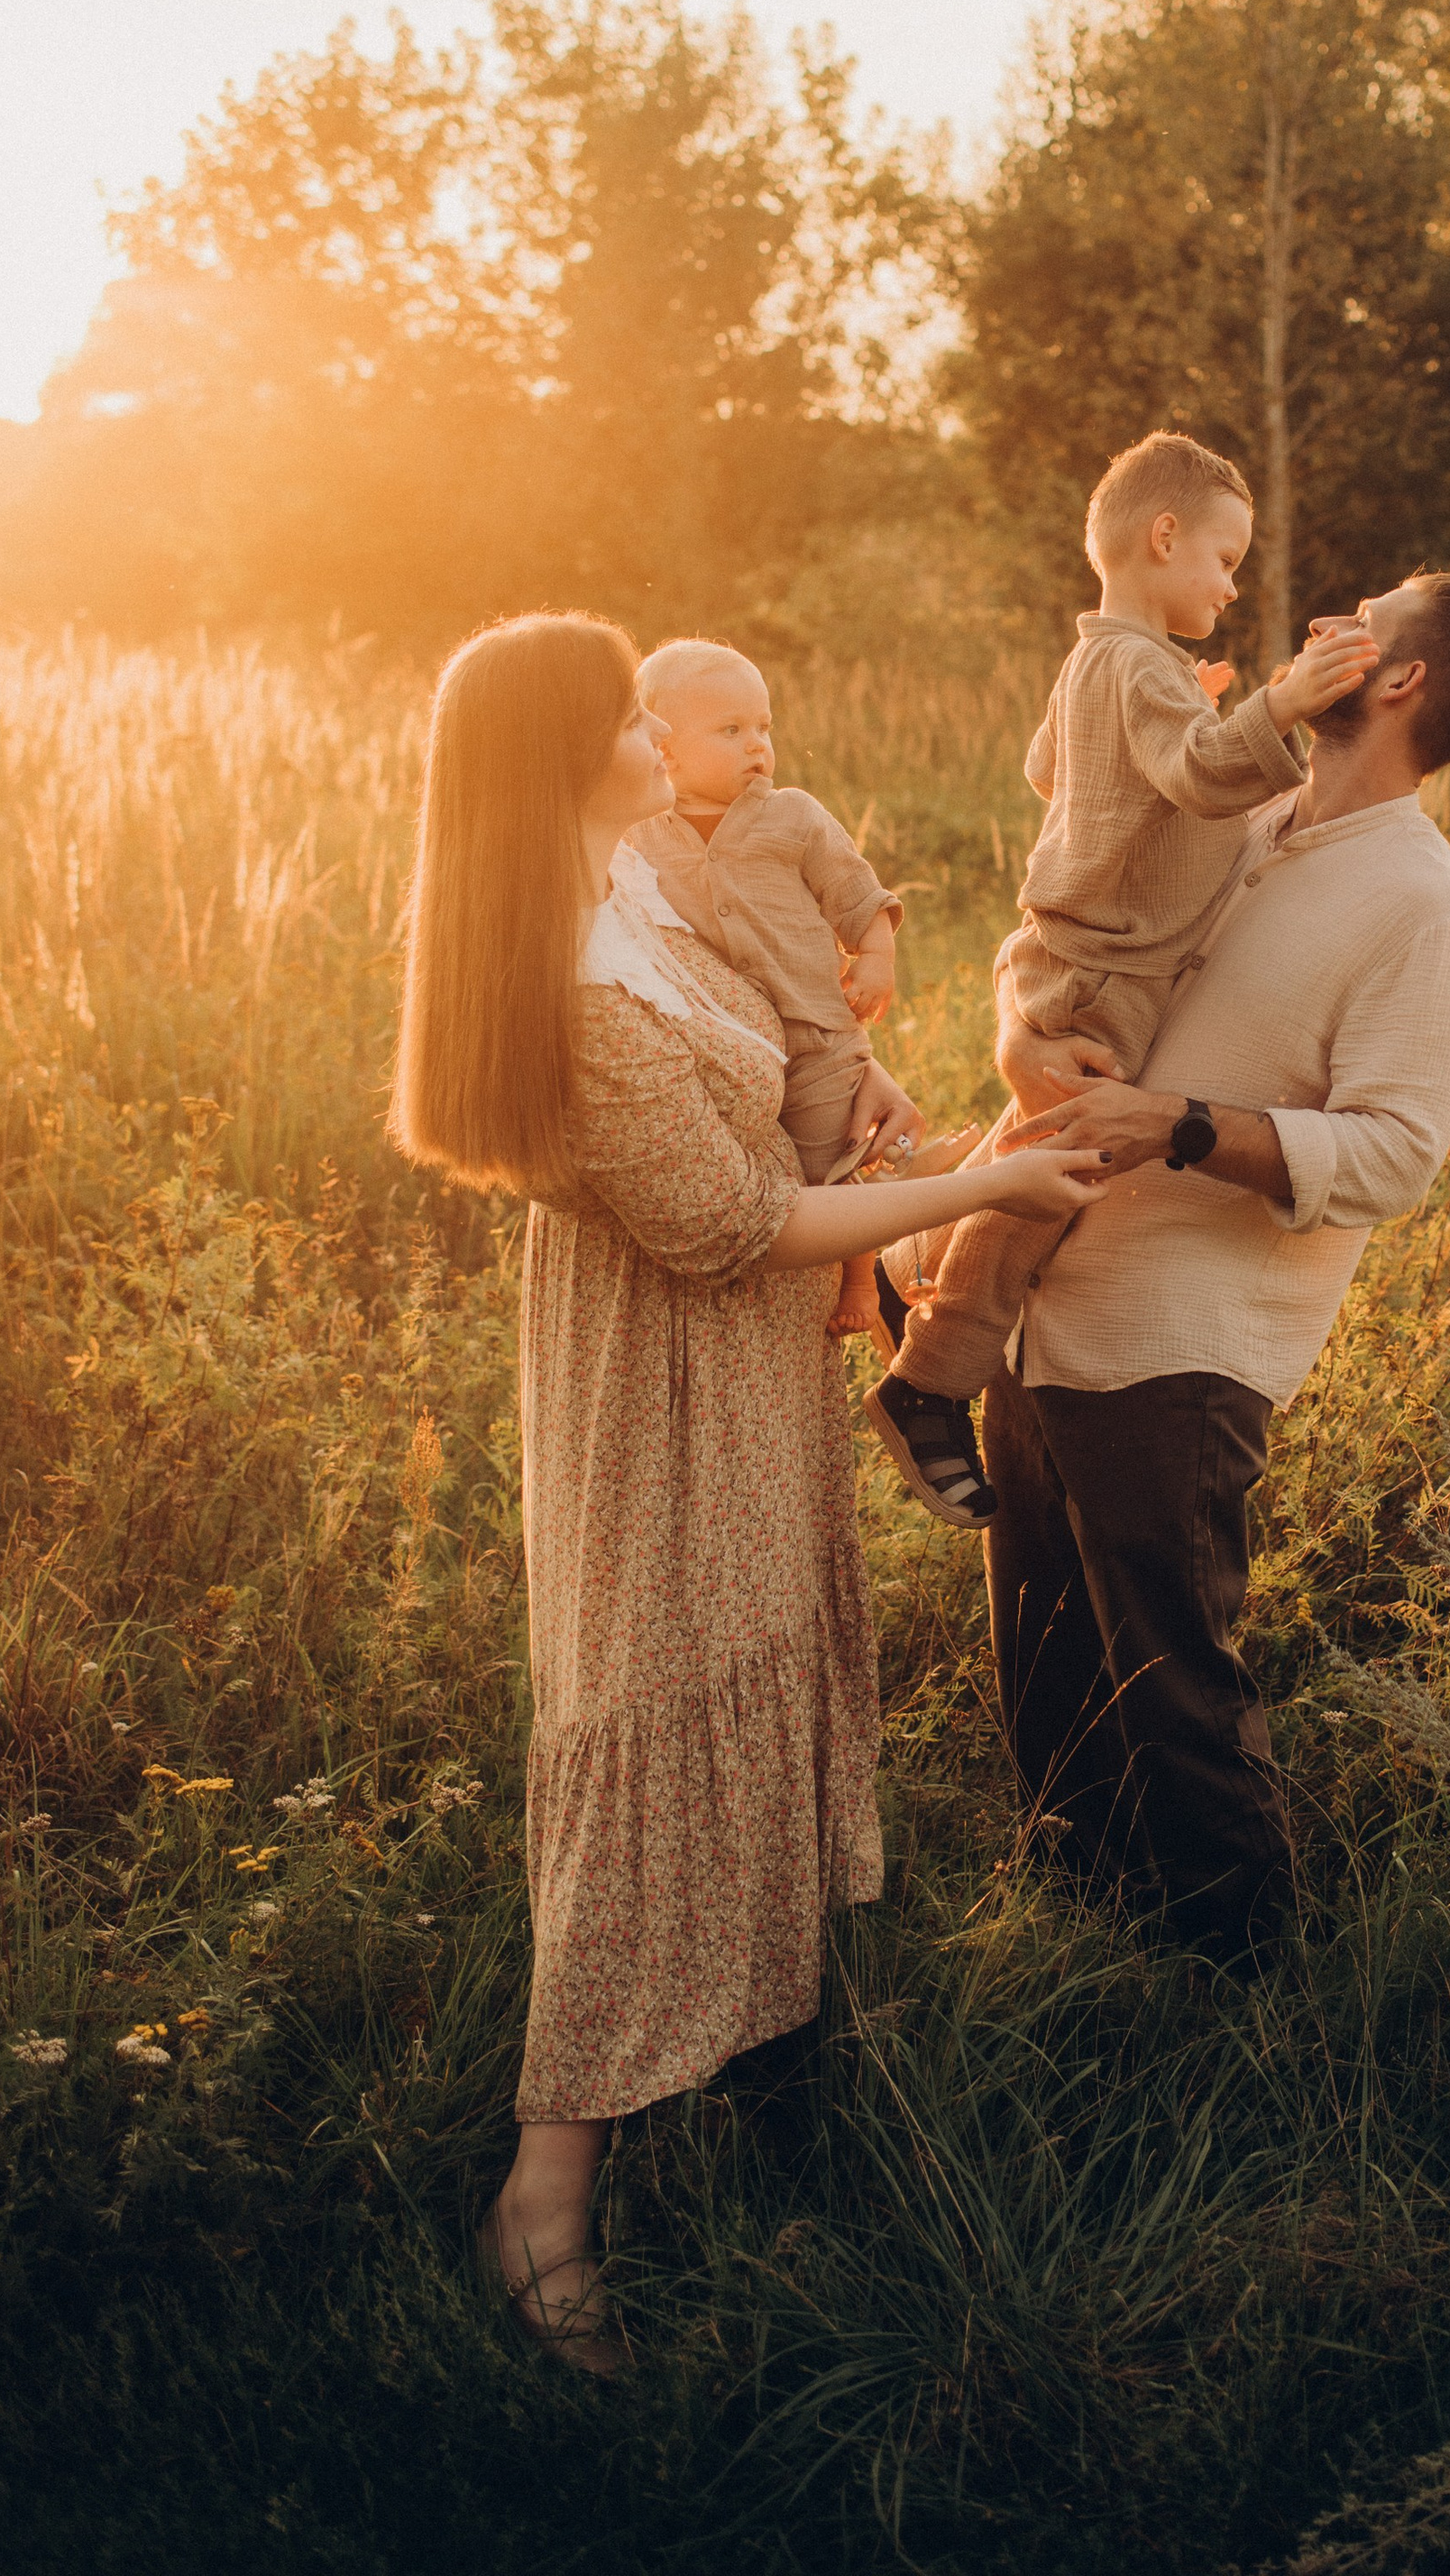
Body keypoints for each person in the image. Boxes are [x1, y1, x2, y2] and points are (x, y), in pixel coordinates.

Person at [386, 612, 1109, 2370]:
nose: (656, 729)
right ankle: (544, 2196)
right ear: (571, 758)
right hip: (670, 1387)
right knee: (651, 1727)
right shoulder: (566, 980)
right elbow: (737, 1230)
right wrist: (982, 1194)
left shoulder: (634, 884)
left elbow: (780, 1117)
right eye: (623, 712)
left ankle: (747, 2053)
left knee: (753, 1671)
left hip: (747, 1374)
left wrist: (890, 1120)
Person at [981, 569, 1450, 1962]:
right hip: (1044, 1308)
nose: (1326, 619)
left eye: (1369, 614)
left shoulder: (1425, 908)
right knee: (1047, 1682)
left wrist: (1176, 1126)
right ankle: (1090, 1967)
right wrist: (1017, 1034)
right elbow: (1066, 924)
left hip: (1183, 1346)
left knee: (1176, 1696)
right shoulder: (1239, 815)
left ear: (1397, 682)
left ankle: (1251, 2013)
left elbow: (1397, 1154)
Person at [867, 431, 1379, 1528]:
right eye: (1224, 560)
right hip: (1102, 970)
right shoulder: (1135, 664)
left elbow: (1047, 769)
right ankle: (929, 1375)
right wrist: (1276, 703)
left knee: (1047, 1148)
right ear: (1162, 538)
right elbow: (1198, 778)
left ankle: (912, 1243)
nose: (1232, 584)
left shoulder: (1102, 660)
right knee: (1058, 1170)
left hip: (1091, 958)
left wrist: (1186, 706)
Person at [627, 635, 915, 1349]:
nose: (757, 745)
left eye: (764, 727)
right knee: (752, 1172)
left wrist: (874, 954)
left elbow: (855, 890)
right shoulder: (640, 836)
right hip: (720, 1043)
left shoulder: (792, 816)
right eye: (731, 731)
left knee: (823, 1158)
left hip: (815, 1029)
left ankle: (861, 1273)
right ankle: (902, 1183)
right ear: (664, 747)